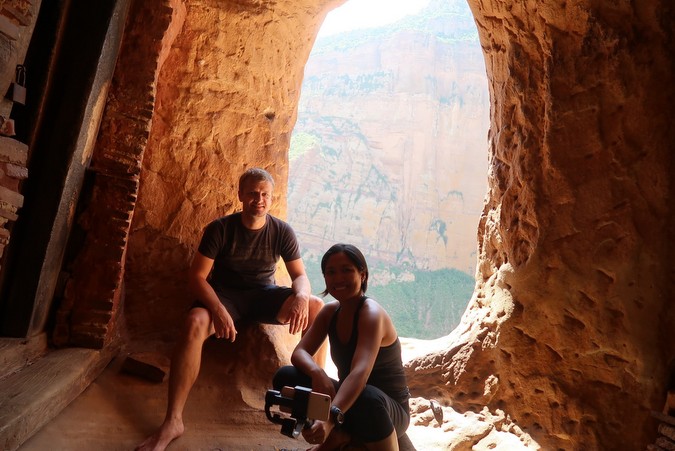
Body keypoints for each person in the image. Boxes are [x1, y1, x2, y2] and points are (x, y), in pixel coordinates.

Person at [136, 167, 325, 451]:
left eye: (265, 195)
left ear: (271, 199)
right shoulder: (221, 229)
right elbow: (197, 277)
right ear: (240, 195)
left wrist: (301, 296)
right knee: (194, 322)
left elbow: (300, 275)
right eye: (252, 193)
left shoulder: (281, 231)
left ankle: (317, 408)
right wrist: (220, 310)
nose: (258, 200)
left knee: (316, 307)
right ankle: (173, 421)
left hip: (263, 295)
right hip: (225, 296)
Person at [273, 243, 410, 451]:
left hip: (386, 409)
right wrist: (318, 373)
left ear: (362, 275)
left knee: (367, 397)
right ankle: (343, 436)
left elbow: (359, 374)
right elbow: (299, 353)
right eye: (331, 272)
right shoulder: (330, 312)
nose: (338, 278)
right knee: (287, 377)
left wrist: (330, 418)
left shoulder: (371, 314)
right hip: (349, 401)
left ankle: (340, 436)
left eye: (347, 270)